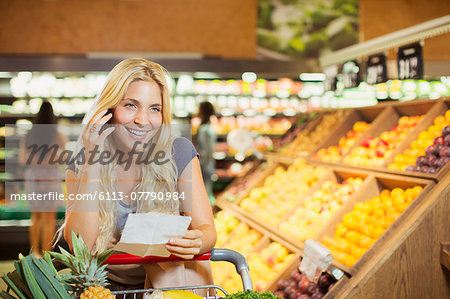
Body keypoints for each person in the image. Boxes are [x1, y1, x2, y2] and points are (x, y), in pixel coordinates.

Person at [61, 58, 216, 291]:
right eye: (131, 105)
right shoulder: (83, 161)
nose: (143, 121)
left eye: (154, 109)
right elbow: (80, 245)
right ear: (108, 110)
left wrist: (197, 241)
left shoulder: (179, 152)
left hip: (170, 288)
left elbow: (208, 230)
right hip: (105, 290)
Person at [19, 101, 67, 256]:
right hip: (51, 177)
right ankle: (47, 254)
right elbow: (62, 158)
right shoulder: (57, 134)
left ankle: (34, 253)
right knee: (49, 219)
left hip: (34, 177)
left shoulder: (29, 135)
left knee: (36, 217)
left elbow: (22, 159)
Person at [195, 101, 217, 205]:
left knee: (205, 191)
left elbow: (207, 150)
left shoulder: (205, 129)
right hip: (206, 164)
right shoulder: (208, 128)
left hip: (204, 165)